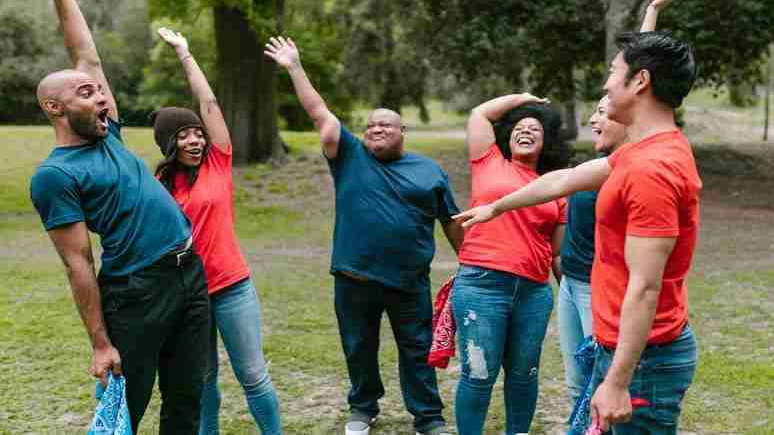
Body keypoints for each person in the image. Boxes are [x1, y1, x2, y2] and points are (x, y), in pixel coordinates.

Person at [454, 29, 700, 435]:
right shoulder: (640, 152)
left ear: (640, 81)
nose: (605, 83)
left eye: (613, 71)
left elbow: (645, 287)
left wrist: (618, 381)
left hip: (644, 362)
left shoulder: (651, 169)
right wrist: (497, 206)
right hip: (629, 351)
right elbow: (564, 179)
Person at [26, 0, 209, 433]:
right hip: (137, 292)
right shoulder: (55, 176)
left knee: (188, 397)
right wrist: (100, 342)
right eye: (87, 93)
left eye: (99, 91)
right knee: (126, 406)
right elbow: (79, 263)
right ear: (55, 108)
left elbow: (85, 53)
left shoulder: (110, 132)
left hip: (189, 273)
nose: (101, 98)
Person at [265, 36, 463, 435]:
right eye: (370, 125)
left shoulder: (429, 170)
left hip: (409, 283)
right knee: (359, 348)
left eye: (385, 125)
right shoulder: (350, 156)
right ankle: (363, 407)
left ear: (402, 131)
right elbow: (320, 113)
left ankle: (428, 417)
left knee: (417, 350)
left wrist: (470, 262)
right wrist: (294, 67)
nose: (376, 129)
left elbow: (451, 220)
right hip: (355, 278)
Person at [558, 0, 689, 406]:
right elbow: (638, 69)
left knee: (595, 389)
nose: (599, 111)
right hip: (575, 279)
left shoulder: (639, 153)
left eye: (603, 104)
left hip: (606, 296)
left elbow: (641, 80)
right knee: (580, 387)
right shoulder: (607, 157)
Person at [150, 28, 282, 435]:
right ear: (168, 145)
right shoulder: (159, 186)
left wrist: (185, 54)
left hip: (231, 287)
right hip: (188, 294)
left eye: (197, 133)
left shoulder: (218, 163)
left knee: (253, 375)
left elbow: (207, 103)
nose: (194, 139)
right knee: (202, 380)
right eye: (183, 135)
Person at [452, 93, 571, 435]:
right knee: (478, 373)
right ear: (507, 136)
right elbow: (478, 112)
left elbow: (558, 254)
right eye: (519, 126)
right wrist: (523, 99)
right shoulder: (488, 161)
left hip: (533, 293)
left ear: (546, 142)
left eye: (535, 128)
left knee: (524, 373)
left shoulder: (555, 186)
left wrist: (572, 296)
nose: (526, 131)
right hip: (481, 285)